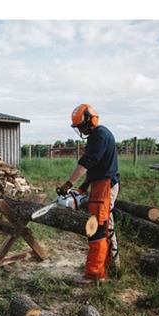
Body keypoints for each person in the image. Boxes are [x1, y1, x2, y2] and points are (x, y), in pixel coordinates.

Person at [57, 104, 120, 285]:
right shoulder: (97, 135)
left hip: (105, 187)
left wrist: (69, 184)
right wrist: (84, 187)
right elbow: (94, 167)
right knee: (106, 225)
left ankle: (95, 275)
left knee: (97, 230)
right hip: (100, 185)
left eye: (82, 126)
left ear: (91, 120)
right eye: (79, 128)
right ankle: (113, 264)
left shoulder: (100, 135)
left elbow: (86, 163)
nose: (82, 130)